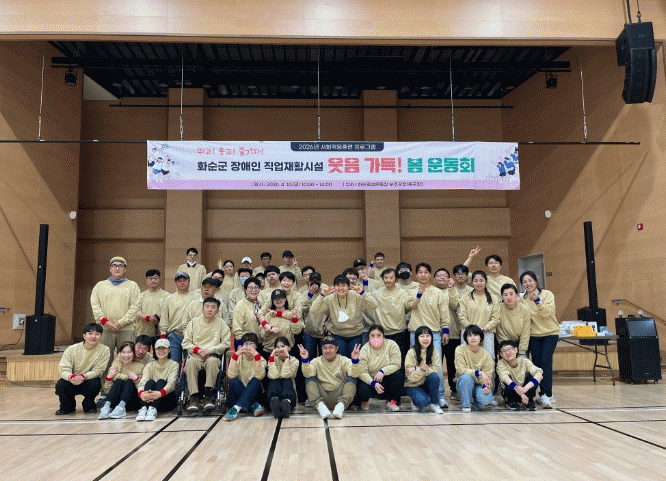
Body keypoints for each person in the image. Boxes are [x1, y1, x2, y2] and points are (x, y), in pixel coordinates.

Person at [408, 263, 450, 408]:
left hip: (434, 333)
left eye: (426, 272)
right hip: (415, 333)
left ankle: (440, 396)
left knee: (436, 366)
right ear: (416, 275)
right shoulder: (411, 291)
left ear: (430, 275)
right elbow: (411, 306)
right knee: (416, 365)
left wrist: (445, 330)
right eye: (420, 272)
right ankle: (417, 397)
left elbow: (444, 312)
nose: (423, 275)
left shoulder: (438, 292)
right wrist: (419, 294)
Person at [90, 256, 140, 370]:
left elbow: (135, 307)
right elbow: (95, 305)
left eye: (120, 266)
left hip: (126, 329)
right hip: (105, 329)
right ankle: (104, 381)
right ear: (110, 268)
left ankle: (125, 381)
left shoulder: (132, 286)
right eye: (114, 265)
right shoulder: (100, 286)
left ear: (125, 269)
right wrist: (106, 322)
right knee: (104, 359)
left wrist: (120, 323)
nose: (117, 268)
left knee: (127, 359)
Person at [310, 274, 378, 358]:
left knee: (354, 359)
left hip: (356, 334)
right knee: (341, 360)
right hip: (338, 334)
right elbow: (314, 310)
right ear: (334, 287)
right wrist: (322, 295)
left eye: (343, 285)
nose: (340, 288)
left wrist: (362, 292)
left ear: (348, 286)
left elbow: (374, 304)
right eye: (337, 285)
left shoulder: (356, 295)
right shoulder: (330, 298)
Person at [182, 297, 231, 412]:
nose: (209, 309)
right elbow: (185, 343)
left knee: (212, 362)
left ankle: (208, 397)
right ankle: (194, 397)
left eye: (213, 307)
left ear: (217, 311)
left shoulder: (221, 324)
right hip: (195, 356)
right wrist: (197, 350)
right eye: (207, 307)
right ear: (202, 309)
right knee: (190, 363)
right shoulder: (193, 323)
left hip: (213, 356)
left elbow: (226, 344)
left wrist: (210, 350)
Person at [519, 270, 559, 409]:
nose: (528, 284)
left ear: (536, 281)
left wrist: (537, 301)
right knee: (536, 365)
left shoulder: (547, 294)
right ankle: (539, 394)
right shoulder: (522, 299)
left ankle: (546, 394)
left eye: (530, 280)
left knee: (545, 361)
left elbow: (548, 313)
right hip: (533, 336)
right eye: (524, 282)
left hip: (550, 333)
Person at [55, 323, 110, 415]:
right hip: (72, 379)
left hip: (88, 379)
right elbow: (63, 368)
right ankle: (67, 407)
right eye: (90, 333)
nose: (93, 337)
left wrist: (83, 376)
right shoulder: (71, 349)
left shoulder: (105, 350)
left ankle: (89, 406)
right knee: (61, 384)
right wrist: (71, 377)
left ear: (101, 336)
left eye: (97, 334)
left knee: (95, 383)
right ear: (84, 336)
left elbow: (99, 370)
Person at [300, 337, 360, 419]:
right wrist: (305, 360)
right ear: (321, 349)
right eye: (324, 348)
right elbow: (307, 374)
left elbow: (355, 374)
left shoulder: (344, 360)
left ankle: (341, 406)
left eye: (331, 347)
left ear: (336, 348)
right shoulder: (316, 361)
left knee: (352, 379)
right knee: (309, 379)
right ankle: (320, 407)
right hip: (322, 397)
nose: (327, 351)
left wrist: (355, 361)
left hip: (339, 397)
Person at [371, 268, 418, 362]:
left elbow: (411, 305)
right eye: (386, 278)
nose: (388, 280)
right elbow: (366, 299)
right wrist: (364, 282)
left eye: (391, 278)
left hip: (399, 333)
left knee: (400, 361)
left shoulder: (402, 293)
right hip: (382, 334)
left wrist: (419, 295)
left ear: (396, 279)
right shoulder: (376, 293)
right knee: (384, 361)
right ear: (383, 279)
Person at [354, 325, 402, 411]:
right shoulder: (365, 349)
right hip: (371, 381)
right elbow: (362, 372)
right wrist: (373, 383)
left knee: (398, 375)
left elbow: (396, 364)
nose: (375, 338)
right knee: (362, 387)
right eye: (372, 336)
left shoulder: (392, 345)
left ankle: (392, 402)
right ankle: (365, 401)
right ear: (368, 337)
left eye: (379, 335)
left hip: (386, 379)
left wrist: (383, 371)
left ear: (383, 336)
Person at [440, 265, 470, 399]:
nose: (460, 275)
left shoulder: (469, 291)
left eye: (463, 273)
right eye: (457, 273)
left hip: (456, 332)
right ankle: (438, 392)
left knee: (453, 364)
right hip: (438, 333)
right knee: (436, 363)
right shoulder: (439, 291)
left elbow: (455, 305)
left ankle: (454, 390)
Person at [225, 332, 267, 421]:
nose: (248, 347)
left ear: (256, 346)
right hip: (238, 395)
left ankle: (236, 408)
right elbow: (231, 375)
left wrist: (256, 357)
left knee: (256, 379)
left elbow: (259, 376)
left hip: (255, 394)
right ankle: (254, 405)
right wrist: (235, 356)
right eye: (246, 344)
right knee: (233, 381)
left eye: (251, 344)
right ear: (242, 345)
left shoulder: (261, 359)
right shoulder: (237, 358)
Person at [458, 270, 500, 358]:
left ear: (486, 281)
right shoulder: (465, 298)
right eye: (476, 281)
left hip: (487, 333)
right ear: (472, 282)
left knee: (488, 358)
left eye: (481, 280)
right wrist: (472, 331)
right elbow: (462, 316)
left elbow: (496, 318)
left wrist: (483, 330)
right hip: (468, 333)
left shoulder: (493, 298)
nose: (479, 283)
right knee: (467, 358)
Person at [136, 338, 179, 421]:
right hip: (149, 400)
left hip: (166, 400)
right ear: (155, 350)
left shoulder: (174, 364)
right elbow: (143, 382)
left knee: (161, 381)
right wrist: (141, 394)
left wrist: (159, 393)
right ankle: (144, 408)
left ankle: (153, 409)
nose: (161, 351)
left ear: (169, 350)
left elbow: (172, 383)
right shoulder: (149, 365)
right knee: (150, 382)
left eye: (164, 348)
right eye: (158, 348)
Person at [158, 272, 197, 365]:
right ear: (176, 283)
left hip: (192, 336)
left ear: (189, 282)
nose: (182, 283)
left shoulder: (196, 297)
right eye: (179, 281)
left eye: (184, 280)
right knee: (174, 363)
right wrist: (163, 335)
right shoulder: (169, 299)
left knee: (190, 363)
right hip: (174, 335)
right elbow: (164, 318)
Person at [454, 325, 495, 412]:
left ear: (481, 338)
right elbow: (461, 370)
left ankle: (475, 400)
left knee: (485, 400)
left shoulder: (486, 355)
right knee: (466, 378)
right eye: (469, 335)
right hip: (464, 382)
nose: (473, 338)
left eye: (475, 335)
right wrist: (479, 373)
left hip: (478, 384)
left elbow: (487, 375)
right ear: (466, 338)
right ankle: (466, 405)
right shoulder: (460, 349)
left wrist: (485, 386)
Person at [404, 325, 443, 414]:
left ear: (431, 337)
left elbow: (436, 369)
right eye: (422, 336)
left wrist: (417, 368)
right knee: (423, 403)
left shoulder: (434, 350)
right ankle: (415, 400)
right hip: (413, 385)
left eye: (428, 336)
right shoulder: (411, 352)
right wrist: (421, 370)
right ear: (417, 338)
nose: (425, 339)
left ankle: (435, 403)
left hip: (426, 382)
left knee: (434, 376)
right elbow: (411, 378)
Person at [98, 342, 143, 419]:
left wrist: (136, 380)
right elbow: (107, 391)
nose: (126, 355)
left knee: (129, 382)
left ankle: (121, 408)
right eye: (123, 352)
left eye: (129, 352)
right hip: (115, 402)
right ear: (120, 354)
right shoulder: (117, 366)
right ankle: (106, 407)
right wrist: (109, 378)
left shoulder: (140, 366)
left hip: (132, 401)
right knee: (119, 381)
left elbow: (141, 389)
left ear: (134, 353)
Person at [496, 340, 543, 411]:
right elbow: (504, 377)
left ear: (516, 350)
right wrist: (521, 393)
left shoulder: (524, 361)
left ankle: (530, 400)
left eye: (509, 349)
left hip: (525, 390)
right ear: (501, 354)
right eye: (504, 351)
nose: (507, 352)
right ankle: (510, 401)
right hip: (512, 391)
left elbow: (539, 374)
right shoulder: (501, 363)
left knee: (534, 376)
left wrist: (525, 389)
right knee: (503, 379)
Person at [258, 289, 303, 357]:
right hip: (269, 351)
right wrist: (269, 330)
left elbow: (296, 331)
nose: (278, 300)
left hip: (287, 352)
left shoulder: (291, 314)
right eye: (276, 299)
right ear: (272, 301)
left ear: (285, 299)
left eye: (281, 298)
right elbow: (262, 335)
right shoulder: (268, 315)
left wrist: (294, 319)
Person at [267, 337, 299, 418]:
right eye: (277, 347)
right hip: (275, 395)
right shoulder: (272, 359)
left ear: (289, 348)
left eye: (283, 346)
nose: (280, 349)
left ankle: (286, 403)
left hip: (289, 395)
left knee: (286, 379)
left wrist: (287, 359)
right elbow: (273, 376)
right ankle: (274, 402)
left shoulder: (295, 361)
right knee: (274, 380)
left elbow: (285, 375)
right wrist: (271, 358)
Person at [299, 271, 329, 359]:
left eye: (317, 281)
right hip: (309, 332)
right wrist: (310, 294)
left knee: (324, 358)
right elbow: (302, 309)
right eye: (313, 281)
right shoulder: (305, 293)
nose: (315, 283)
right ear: (309, 282)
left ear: (321, 281)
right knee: (309, 357)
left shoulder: (326, 292)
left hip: (323, 333)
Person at [136, 269, 169, 346]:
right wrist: (147, 318)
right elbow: (136, 311)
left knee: (160, 353)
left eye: (155, 278)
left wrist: (159, 317)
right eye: (150, 278)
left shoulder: (167, 296)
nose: (153, 280)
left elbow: (170, 312)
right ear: (146, 280)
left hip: (161, 333)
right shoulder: (141, 296)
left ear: (159, 279)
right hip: (144, 332)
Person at [496, 284, 531, 357]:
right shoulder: (498, 309)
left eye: (511, 294)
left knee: (522, 362)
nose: (508, 297)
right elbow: (499, 331)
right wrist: (507, 348)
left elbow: (526, 332)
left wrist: (522, 352)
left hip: (521, 343)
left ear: (517, 295)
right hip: (505, 344)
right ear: (502, 297)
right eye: (505, 295)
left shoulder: (524, 309)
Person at [232, 276, 263, 348]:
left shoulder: (263, 303)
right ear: (246, 290)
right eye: (250, 288)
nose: (253, 290)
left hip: (262, 343)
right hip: (246, 344)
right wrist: (239, 345)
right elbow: (237, 329)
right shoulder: (240, 305)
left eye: (256, 287)